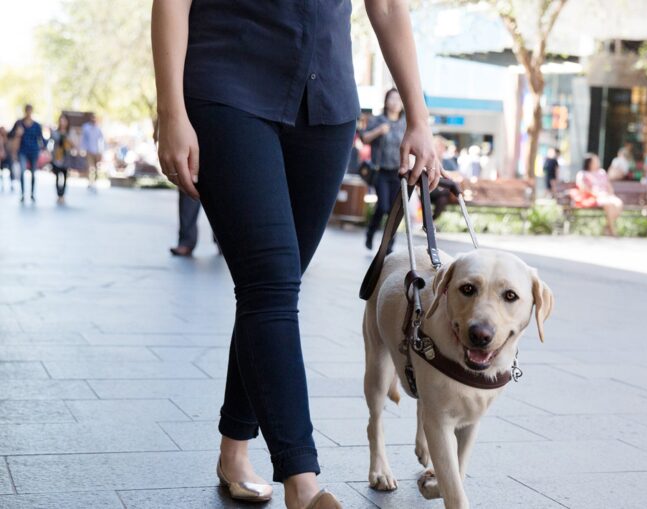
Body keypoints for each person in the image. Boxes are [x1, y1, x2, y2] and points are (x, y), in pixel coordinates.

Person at [151, 1, 441, 508]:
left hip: (325, 103)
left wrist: (419, 117)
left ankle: (234, 448)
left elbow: (389, 5)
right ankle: (302, 484)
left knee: (273, 288)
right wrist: (171, 111)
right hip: (227, 88)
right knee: (270, 285)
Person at [362, 88, 407, 251]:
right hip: (380, 171)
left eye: (398, 99)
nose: (395, 102)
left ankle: (389, 244)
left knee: (393, 210)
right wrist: (378, 131)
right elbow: (364, 138)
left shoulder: (405, 123)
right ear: (386, 101)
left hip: (398, 172)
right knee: (382, 206)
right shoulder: (378, 120)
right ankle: (371, 232)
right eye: (392, 99)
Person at [573, 153, 624, 236]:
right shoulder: (582, 174)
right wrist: (595, 193)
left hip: (607, 195)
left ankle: (607, 227)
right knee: (609, 204)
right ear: (589, 163)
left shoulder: (602, 172)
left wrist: (610, 194)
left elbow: (609, 186)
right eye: (595, 160)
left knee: (619, 203)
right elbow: (582, 187)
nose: (598, 162)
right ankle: (613, 231)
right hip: (594, 197)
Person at [10, 104, 46, 203]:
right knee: (22, 171)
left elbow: (41, 139)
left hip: (34, 151)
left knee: (33, 173)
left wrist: (45, 148)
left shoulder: (37, 125)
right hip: (22, 151)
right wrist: (17, 133)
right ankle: (22, 193)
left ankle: (32, 193)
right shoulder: (19, 123)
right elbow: (11, 134)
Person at [50, 114, 73, 204]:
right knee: (57, 176)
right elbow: (52, 141)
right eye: (61, 120)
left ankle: (62, 194)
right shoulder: (56, 132)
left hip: (66, 158)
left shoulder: (70, 132)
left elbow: (73, 144)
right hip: (57, 157)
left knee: (65, 177)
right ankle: (58, 194)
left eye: (64, 121)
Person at [80, 112, 104, 191]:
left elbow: (101, 140)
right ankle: (90, 182)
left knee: (96, 168)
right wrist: (83, 149)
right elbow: (84, 139)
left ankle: (95, 182)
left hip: (97, 151)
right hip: (89, 150)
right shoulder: (86, 127)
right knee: (90, 168)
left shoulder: (98, 128)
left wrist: (101, 151)